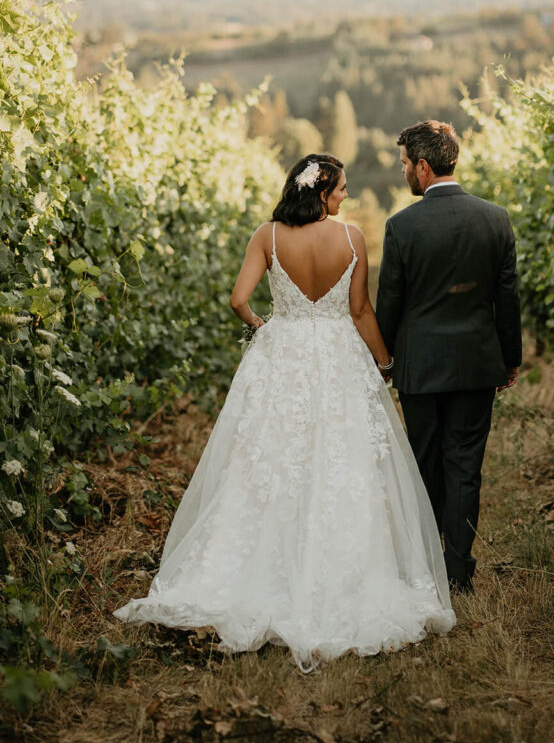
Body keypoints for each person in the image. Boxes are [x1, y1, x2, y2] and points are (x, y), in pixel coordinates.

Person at [114, 153, 455, 671]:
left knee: (268, 462)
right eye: (340, 188)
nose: (345, 196)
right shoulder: (352, 239)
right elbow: (360, 310)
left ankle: (256, 571)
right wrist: (384, 363)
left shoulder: (267, 236)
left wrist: (261, 325)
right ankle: (344, 576)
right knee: (344, 463)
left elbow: (237, 299)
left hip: (283, 356)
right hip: (340, 358)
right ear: (321, 192)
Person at [375, 121, 522, 594]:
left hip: (420, 366)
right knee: (465, 466)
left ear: (423, 166)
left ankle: (424, 568)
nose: (403, 174)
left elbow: (390, 305)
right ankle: (458, 572)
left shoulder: (401, 226)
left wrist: (387, 359)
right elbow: (507, 298)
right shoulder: (495, 218)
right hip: (478, 362)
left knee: (423, 462)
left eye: (404, 165)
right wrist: (510, 358)